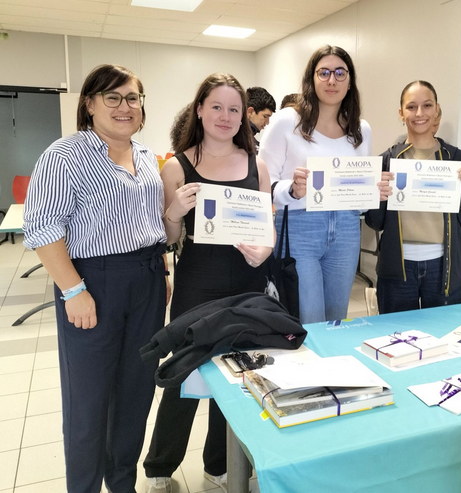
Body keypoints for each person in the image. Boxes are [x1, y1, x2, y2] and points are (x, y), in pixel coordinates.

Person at [22, 64, 169, 493]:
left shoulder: (145, 155)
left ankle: (122, 483)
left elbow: (152, 222)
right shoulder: (65, 155)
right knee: (88, 403)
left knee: (135, 394)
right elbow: (43, 228)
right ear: (89, 104)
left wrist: (161, 271)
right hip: (93, 283)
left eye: (133, 98)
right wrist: (73, 290)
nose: (125, 107)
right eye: (113, 97)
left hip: (147, 281)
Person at [144, 74, 274, 493]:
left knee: (238, 378)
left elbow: (267, 227)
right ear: (199, 109)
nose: (225, 116)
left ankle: (220, 465)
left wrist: (266, 249)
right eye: (216, 106)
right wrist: (174, 214)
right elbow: (167, 241)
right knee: (183, 375)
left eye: (234, 109)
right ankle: (160, 468)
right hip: (197, 282)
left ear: (244, 117)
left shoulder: (258, 165)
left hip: (249, 280)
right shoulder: (175, 166)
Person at [259, 45, 372, 324]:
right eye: (323, 73)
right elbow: (262, 183)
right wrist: (292, 190)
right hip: (300, 228)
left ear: (350, 81)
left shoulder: (361, 128)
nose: (331, 80)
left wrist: (374, 191)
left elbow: (357, 190)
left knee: (336, 319)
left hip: (346, 228)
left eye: (339, 72)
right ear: (312, 79)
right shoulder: (287, 121)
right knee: (307, 320)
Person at [364, 80, 461, 313]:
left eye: (427, 106)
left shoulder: (457, 159)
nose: (419, 113)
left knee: (442, 335)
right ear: (401, 113)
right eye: (411, 107)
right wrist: (379, 197)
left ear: (437, 109)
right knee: (396, 336)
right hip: (398, 267)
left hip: (443, 268)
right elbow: (374, 222)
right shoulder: (385, 161)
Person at [246, 86, 276, 152]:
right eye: (265, 116)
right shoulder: (235, 141)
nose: (267, 122)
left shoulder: (251, 142)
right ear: (250, 112)